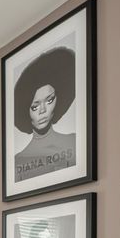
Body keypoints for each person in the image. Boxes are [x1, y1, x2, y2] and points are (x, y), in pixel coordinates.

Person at [13, 47, 77, 182]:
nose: (42, 110)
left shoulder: (74, 142)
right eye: (35, 106)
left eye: (49, 100)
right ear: (26, 110)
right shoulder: (18, 161)